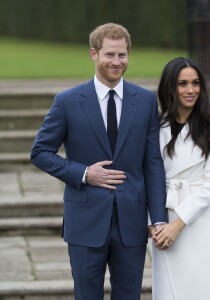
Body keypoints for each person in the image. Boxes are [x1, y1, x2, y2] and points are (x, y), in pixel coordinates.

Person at [31, 23, 168, 300]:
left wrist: (159, 218)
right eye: (109, 55)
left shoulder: (145, 101)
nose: (117, 62)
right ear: (94, 54)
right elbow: (40, 152)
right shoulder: (67, 102)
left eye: (122, 55)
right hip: (84, 220)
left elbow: (153, 163)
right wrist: (83, 174)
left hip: (132, 221)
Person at [149, 57, 210, 300]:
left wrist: (177, 225)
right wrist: (155, 222)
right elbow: (148, 175)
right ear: (170, 88)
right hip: (164, 218)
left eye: (195, 83)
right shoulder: (156, 126)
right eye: (182, 84)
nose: (190, 90)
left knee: (209, 289)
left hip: (201, 218)